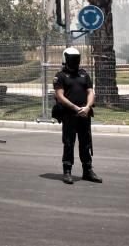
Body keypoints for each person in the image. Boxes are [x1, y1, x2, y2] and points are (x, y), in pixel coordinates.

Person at [53, 47, 102, 185]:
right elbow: (60, 96)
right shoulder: (60, 76)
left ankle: (87, 171)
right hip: (69, 114)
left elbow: (91, 92)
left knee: (86, 143)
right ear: (65, 59)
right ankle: (67, 171)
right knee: (69, 142)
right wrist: (75, 108)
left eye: (76, 58)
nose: (75, 61)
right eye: (72, 58)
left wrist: (87, 107)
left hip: (84, 114)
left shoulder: (84, 74)